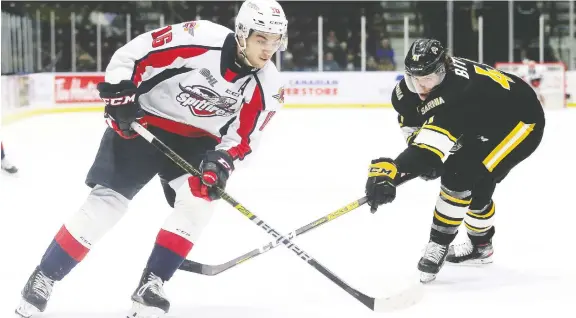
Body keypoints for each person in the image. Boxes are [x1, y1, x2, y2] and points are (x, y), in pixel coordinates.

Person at [15, 0, 288, 317]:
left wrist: (222, 162)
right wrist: (121, 93)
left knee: (198, 202)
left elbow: (242, 140)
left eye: (275, 39)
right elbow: (136, 53)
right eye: (261, 38)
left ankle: (152, 285)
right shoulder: (200, 37)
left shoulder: (270, 86)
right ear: (242, 33)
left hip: (198, 143)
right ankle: (43, 277)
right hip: (145, 124)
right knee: (107, 204)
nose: (269, 49)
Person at [365, 39, 545, 283]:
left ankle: (438, 244)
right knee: (474, 186)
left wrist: (394, 170)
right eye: (414, 77)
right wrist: (405, 166)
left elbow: (428, 150)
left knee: (460, 175)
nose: (421, 86)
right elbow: (414, 129)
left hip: (519, 122)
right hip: (480, 117)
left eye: (428, 77)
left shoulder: (458, 92)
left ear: (443, 70)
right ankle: (481, 246)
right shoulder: (406, 92)